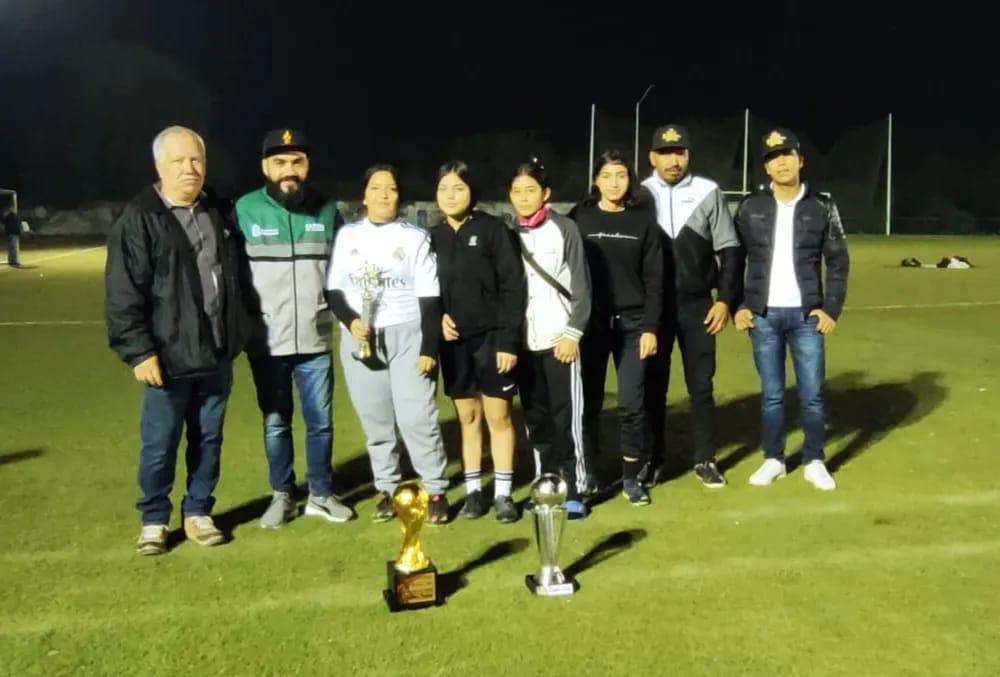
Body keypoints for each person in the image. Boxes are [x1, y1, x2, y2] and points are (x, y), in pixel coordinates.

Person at [105, 126, 247, 555]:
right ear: (159, 166)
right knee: (160, 444)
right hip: (166, 359)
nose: (190, 169)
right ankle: (153, 519)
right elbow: (123, 291)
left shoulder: (220, 210)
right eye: (179, 161)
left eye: (196, 160)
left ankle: (198, 511)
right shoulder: (140, 217)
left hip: (216, 353)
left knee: (209, 440)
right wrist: (139, 351)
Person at [235, 128, 353, 528]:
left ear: (308, 166)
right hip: (267, 342)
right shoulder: (243, 210)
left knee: (321, 423)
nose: (290, 170)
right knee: (275, 422)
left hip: (316, 338)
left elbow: (343, 273)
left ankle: (320, 493)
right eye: (281, 162)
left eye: (297, 162)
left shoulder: (326, 210)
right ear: (265, 166)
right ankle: (282, 495)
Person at [324, 164, 451, 523]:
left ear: (399, 195)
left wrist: (429, 349)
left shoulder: (414, 237)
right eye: (376, 188)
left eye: (391, 189)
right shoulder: (348, 236)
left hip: (407, 334)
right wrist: (351, 322)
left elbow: (430, 299)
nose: (384, 194)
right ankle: (388, 488)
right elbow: (333, 290)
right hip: (360, 339)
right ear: (364, 196)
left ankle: (436, 488)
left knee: (417, 418)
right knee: (377, 422)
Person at [733, 127, 849, 491]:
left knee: (812, 394)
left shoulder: (822, 206)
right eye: (772, 158)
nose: (780, 162)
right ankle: (774, 459)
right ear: (766, 169)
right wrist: (738, 304)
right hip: (763, 316)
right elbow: (732, 260)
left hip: (806, 317)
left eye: (786, 155)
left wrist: (830, 309)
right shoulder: (750, 206)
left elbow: (839, 261)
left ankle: (814, 459)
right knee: (771, 394)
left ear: (800, 160)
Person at [640, 124, 744, 488]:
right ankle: (653, 461)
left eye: (679, 152)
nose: (673, 160)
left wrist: (726, 301)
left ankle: (705, 459)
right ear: (652, 157)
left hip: (698, 306)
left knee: (701, 387)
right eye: (665, 153)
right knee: (653, 387)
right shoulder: (640, 195)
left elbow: (729, 249)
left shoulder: (708, 191)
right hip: (653, 310)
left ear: (688, 156)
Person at [430, 161, 526, 522]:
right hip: (454, 345)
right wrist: (438, 317)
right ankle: (473, 491)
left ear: (472, 193)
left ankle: (503, 494)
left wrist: (507, 341)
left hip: (492, 340)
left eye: (458, 188)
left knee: (497, 416)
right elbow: (426, 290)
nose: (450, 195)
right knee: (467, 417)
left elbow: (513, 286)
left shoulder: (492, 230)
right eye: (443, 189)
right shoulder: (433, 237)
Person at [571, 150, 662, 506]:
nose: (614, 183)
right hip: (590, 325)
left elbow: (655, 281)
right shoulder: (580, 217)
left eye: (621, 176)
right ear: (596, 180)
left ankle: (631, 477)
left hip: (634, 326)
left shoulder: (643, 222)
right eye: (607, 175)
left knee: (631, 404)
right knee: (588, 404)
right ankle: (588, 471)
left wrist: (651, 327)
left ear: (630, 180)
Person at [510, 157, 591, 518]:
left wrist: (572, 334)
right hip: (526, 345)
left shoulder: (565, 229)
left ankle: (576, 486)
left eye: (531, 190)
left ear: (546, 194)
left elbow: (581, 286)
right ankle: (545, 484)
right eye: (517, 191)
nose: (523, 197)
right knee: (537, 419)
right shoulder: (509, 234)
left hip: (561, 340)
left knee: (567, 418)